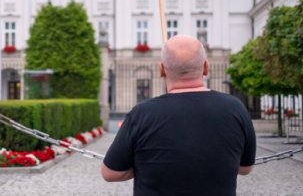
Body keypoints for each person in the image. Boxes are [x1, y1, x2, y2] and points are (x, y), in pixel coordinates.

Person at [101, 35, 256, 196]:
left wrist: (146, 164)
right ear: (206, 67)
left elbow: (110, 173)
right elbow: (245, 168)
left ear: (161, 69)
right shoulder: (235, 108)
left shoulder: (142, 113)